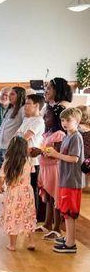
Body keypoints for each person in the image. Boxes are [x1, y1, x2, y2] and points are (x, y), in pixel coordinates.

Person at [45, 107, 84, 253]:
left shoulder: (76, 137)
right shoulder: (67, 136)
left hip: (72, 180)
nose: (65, 123)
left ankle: (70, 244)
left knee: (69, 212)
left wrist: (56, 154)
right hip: (65, 178)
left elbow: (74, 158)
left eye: (68, 120)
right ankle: (69, 237)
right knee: (65, 210)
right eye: (62, 120)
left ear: (77, 121)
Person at [37, 78, 72, 240]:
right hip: (46, 166)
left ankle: (57, 227)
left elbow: (58, 149)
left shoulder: (60, 129)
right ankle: (47, 223)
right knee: (49, 196)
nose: (46, 90)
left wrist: (40, 150)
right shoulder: (49, 128)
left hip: (55, 166)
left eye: (50, 88)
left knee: (56, 196)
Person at [0, 137, 36, 252]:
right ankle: (31, 241)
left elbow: (1, 178)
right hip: (27, 192)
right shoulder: (28, 161)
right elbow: (32, 173)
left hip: (13, 193)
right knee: (28, 215)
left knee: (13, 217)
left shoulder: (8, 162)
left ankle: (12, 245)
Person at [16, 94, 45, 217]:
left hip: (32, 160)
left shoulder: (38, 121)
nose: (25, 106)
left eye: (28, 103)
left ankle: (34, 215)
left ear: (36, 106)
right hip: (22, 156)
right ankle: (24, 210)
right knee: (22, 185)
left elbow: (23, 137)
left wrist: (16, 139)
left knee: (32, 188)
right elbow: (17, 135)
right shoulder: (27, 119)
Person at [0, 87, 27, 170]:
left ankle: (7, 183)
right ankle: (5, 183)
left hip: (10, 145)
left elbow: (25, 125)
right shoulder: (10, 108)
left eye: (12, 94)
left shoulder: (23, 109)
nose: (9, 96)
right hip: (2, 144)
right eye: (10, 94)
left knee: (8, 169)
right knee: (0, 166)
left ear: (20, 96)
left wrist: (17, 139)